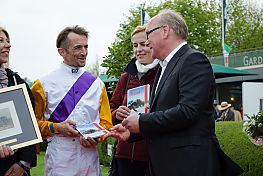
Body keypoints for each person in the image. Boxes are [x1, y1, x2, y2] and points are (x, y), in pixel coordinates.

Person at [105, 9, 244, 176]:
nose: (147, 42)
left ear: (165, 31)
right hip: (166, 164)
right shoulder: (165, 67)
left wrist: (141, 122)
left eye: (148, 34)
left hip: (188, 164)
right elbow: (162, 117)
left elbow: (187, 111)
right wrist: (133, 133)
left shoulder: (193, 60)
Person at [31, 25, 112, 175]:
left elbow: (106, 123)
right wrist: (57, 128)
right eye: (78, 48)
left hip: (90, 158)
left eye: (86, 47)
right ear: (62, 52)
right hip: (60, 158)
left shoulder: (97, 84)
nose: (84, 52)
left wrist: (97, 138)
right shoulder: (42, 84)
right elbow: (32, 125)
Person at [110, 25, 159, 176]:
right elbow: (111, 109)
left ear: (153, 44)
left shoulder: (164, 74)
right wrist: (116, 113)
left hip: (154, 156)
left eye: (144, 44)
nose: (139, 49)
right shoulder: (126, 77)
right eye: (135, 45)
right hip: (124, 155)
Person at [0, 26, 37, 176]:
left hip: (12, 167)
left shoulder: (16, 82)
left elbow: (30, 125)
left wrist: (23, 164)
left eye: (8, 41)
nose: (8, 45)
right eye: (0, 41)